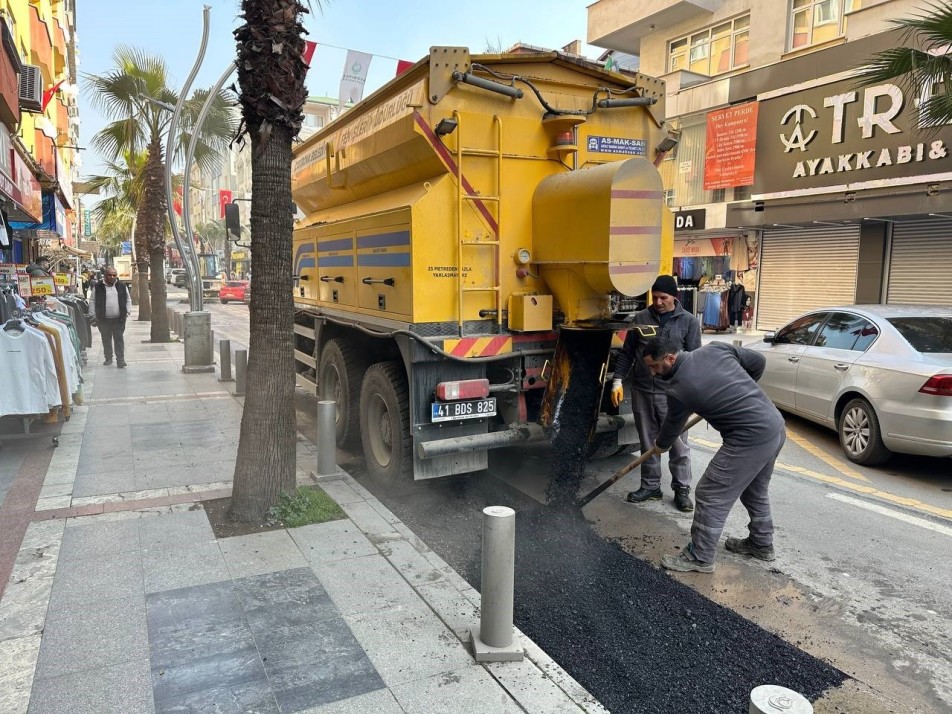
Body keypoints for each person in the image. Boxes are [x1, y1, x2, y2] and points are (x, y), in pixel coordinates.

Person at [641, 337, 786, 573]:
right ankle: (761, 544)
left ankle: (700, 557)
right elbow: (758, 361)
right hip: (774, 425)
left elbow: (672, 426)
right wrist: (742, 388)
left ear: (670, 358)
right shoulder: (716, 348)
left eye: (655, 366)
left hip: (749, 437)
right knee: (754, 490)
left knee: (711, 493)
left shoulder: (678, 388)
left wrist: (661, 446)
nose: (653, 373)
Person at [610, 274, 701, 512]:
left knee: (678, 443)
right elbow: (628, 353)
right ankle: (650, 486)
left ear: (674, 297)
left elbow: (695, 358)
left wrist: (692, 391)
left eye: (663, 297)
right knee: (648, 442)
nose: (658, 302)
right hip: (642, 390)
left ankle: (682, 489)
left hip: (674, 393)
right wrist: (617, 381)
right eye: (655, 297)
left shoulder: (688, 321)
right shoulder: (641, 318)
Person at [93, 266, 132, 368]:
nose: (112, 277)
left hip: (119, 319)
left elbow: (128, 300)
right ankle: (108, 358)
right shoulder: (98, 287)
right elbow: (92, 301)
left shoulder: (122, 286)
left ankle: (120, 360)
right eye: (109, 275)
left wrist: (127, 311)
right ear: (105, 276)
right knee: (106, 339)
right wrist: (93, 315)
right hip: (103, 319)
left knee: (119, 339)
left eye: (114, 275)